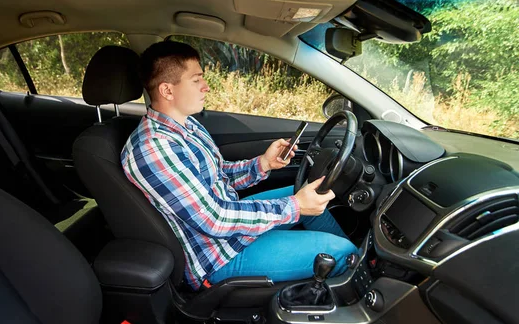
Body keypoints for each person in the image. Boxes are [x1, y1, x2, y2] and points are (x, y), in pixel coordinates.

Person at [121, 41, 357, 290]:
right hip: (217, 257)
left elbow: (219, 176)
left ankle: (347, 265)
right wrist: (296, 206)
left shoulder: (186, 126)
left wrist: (264, 164)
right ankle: (350, 271)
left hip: (228, 226)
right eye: (196, 80)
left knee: (313, 190)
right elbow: (214, 219)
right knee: (341, 251)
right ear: (168, 91)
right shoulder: (154, 148)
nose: (206, 87)